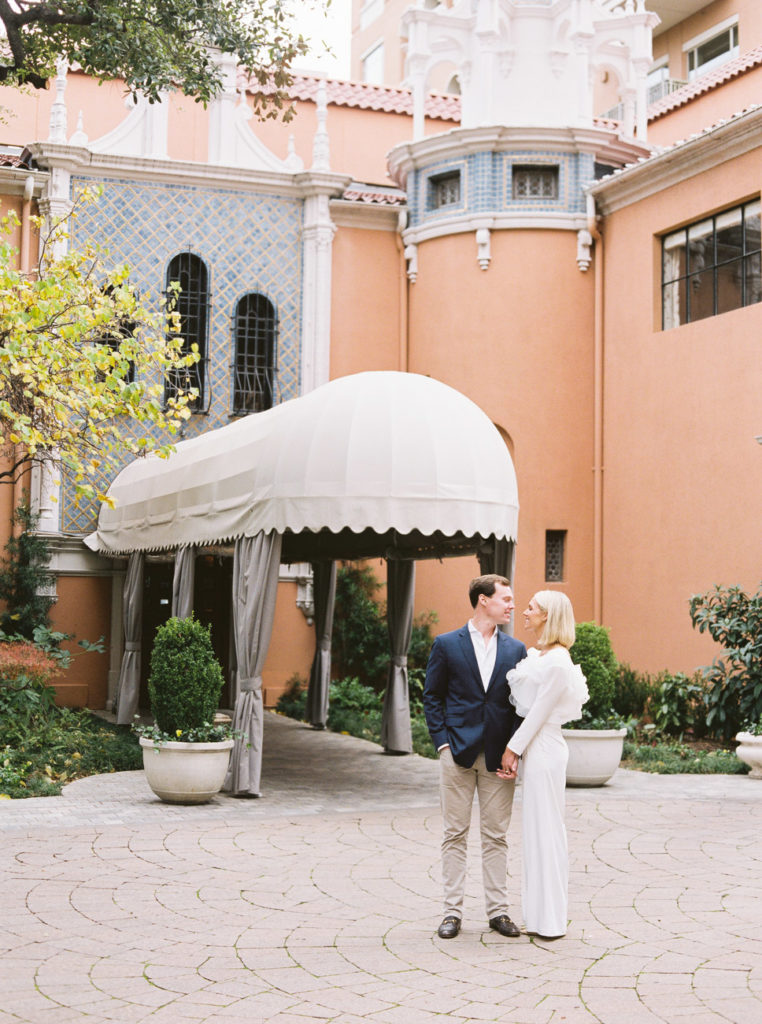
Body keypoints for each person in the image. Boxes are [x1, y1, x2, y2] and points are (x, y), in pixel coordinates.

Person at [423, 574, 527, 940]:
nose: (512, 605)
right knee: (455, 834)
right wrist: (442, 744)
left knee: (496, 836)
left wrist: (515, 748)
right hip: (457, 752)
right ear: (484, 600)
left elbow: (520, 706)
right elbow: (432, 697)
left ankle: (498, 912)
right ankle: (452, 913)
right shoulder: (447, 644)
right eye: (506, 599)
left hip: (499, 756)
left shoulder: (516, 650)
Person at [498, 590, 588, 939]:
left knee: (547, 830)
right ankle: (537, 916)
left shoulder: (558, 662)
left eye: (532, 608)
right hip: (536, 746)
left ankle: (550, 919)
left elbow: (539, 712)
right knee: (535, 831)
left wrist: (513, 749)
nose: (525, 611)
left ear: (548, 615)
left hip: (545, 747)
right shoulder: (542, 655)